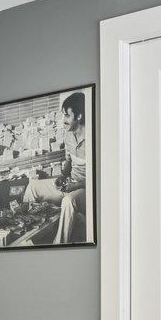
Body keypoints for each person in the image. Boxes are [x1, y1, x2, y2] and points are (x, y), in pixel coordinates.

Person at [54, 91, 89, 244]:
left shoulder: (93, 138)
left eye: (67, 116)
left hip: (86, 188)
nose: (64, 120)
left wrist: (75, 185)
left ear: (79, 116)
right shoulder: (68, 135)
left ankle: (59, 245)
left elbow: (99, 179)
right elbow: (68, 161)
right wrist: (62, 175)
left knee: (68, 201)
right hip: (71, 183)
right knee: (34, 188)